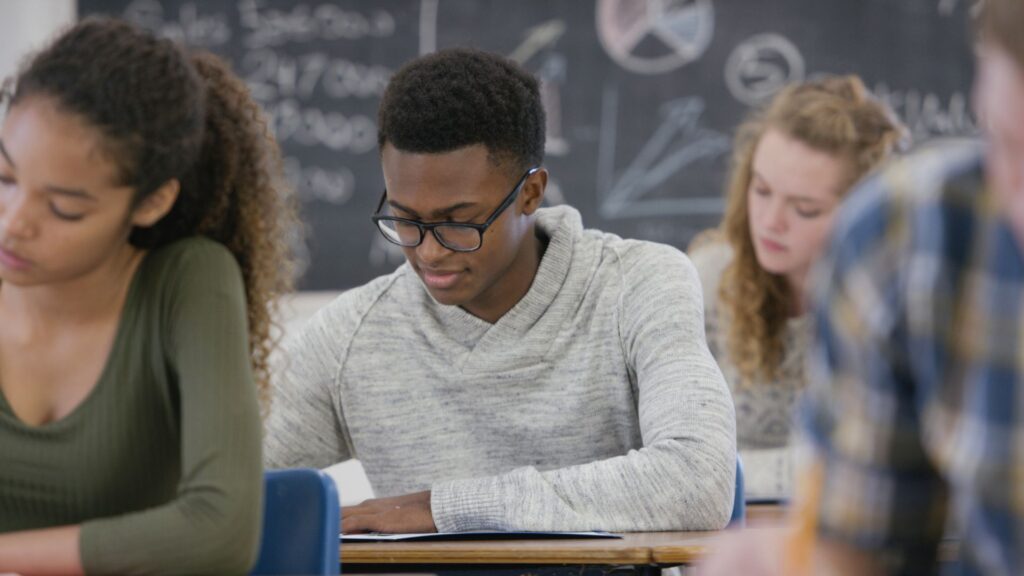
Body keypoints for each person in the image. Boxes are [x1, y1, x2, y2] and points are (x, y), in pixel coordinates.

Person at [265, 47, 736, 534]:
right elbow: (227, 491)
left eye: (460, 222)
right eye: (405, 220)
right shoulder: (348, 337)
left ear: (530, 194)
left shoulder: (638, 284)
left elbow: (699, 479)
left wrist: (442, 509)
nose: (428, 253)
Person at [699, 0, 1024, 573]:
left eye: (804, 207)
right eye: (1005, 141)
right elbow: (868, 542)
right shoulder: (910, 234)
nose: (772, 222)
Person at [0, 18, 296, 574]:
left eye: (63, 208)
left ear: (151, 203)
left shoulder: (187, 281)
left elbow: (221, 531)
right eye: (4, 178)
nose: (13, 225)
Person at [687, 75, 906, 500]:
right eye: (761, 189)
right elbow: (677, 464)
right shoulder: (708, 281)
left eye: (805, 210)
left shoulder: (897, 301)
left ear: (865, 212)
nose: (770, 222)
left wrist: (731, 472)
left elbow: (877, 467)